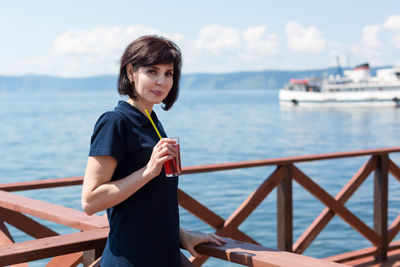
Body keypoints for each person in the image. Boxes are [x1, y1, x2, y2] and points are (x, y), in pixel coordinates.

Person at [81, 35, 225, 266]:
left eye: (168, 73)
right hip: (131, 258)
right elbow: (90, 202)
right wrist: (148, 170)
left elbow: (150, 202)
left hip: (163, 255)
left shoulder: (153, 121)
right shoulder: (115, 122)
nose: (161, 81)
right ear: (130, 72)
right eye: (152, 71)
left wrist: (180, 234)